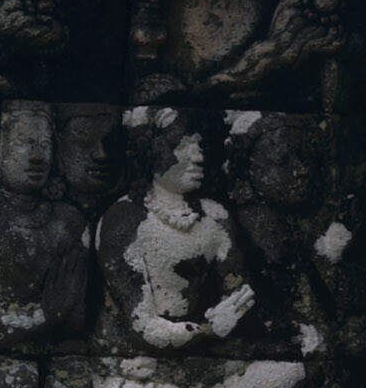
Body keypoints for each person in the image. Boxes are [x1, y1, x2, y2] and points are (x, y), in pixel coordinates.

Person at [96, 126, 254, 352]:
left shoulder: (216, 216)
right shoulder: (124, 219)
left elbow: (239, 292)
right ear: (150, 152)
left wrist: (228, 314)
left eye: (199, 146)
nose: (198, 157)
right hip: (134, 356)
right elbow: (142, 326)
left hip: (200, 348)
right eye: (182, 146)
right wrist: (208, 329)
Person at [0, 101, 89, 348]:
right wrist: (48, 315)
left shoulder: (69, 220)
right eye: (22, 142)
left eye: (45, 145)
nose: (37, 157)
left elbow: (77, 322)